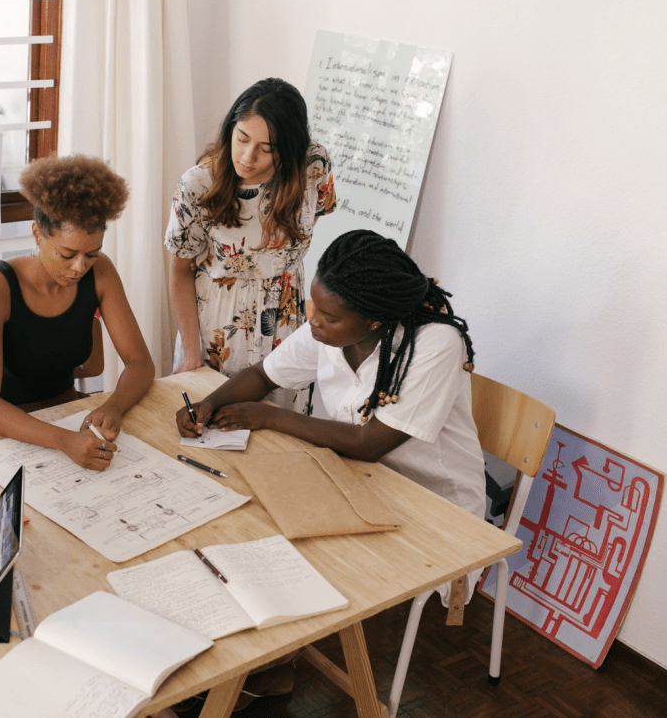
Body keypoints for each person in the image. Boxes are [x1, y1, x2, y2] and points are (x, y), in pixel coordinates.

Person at [175, 229, 485, 710]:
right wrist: (207, 403)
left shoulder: (435, 344)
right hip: (350, 475)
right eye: (315, 307)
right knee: (249, 521)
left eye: (328, 316)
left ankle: (261, 665)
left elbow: (370, 443)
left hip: (428, 502)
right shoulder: (333, 327)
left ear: (374, 317)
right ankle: (266, 664)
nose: (312, 321)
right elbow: (263, 375)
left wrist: (274, 416)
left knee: (287, 549)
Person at [0, 154, 155, 471]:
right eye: (67, 254)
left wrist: (114, 406)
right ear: (38, 234)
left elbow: (140, 362)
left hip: (65, 415)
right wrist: (65, 441)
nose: (79, 267)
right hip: (1, 428)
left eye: (91, 254)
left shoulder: (100, 273)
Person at [165, 77, 337, 411]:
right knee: (210, 426)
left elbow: (302, 232)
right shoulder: (199, 184)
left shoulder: (313, 166)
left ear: (287, 148)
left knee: (281, 433)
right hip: (219, 326)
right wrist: (190, 353)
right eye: (241, 138)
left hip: (286, 322)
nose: (246, 156)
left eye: (266, 148)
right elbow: (179, 272)